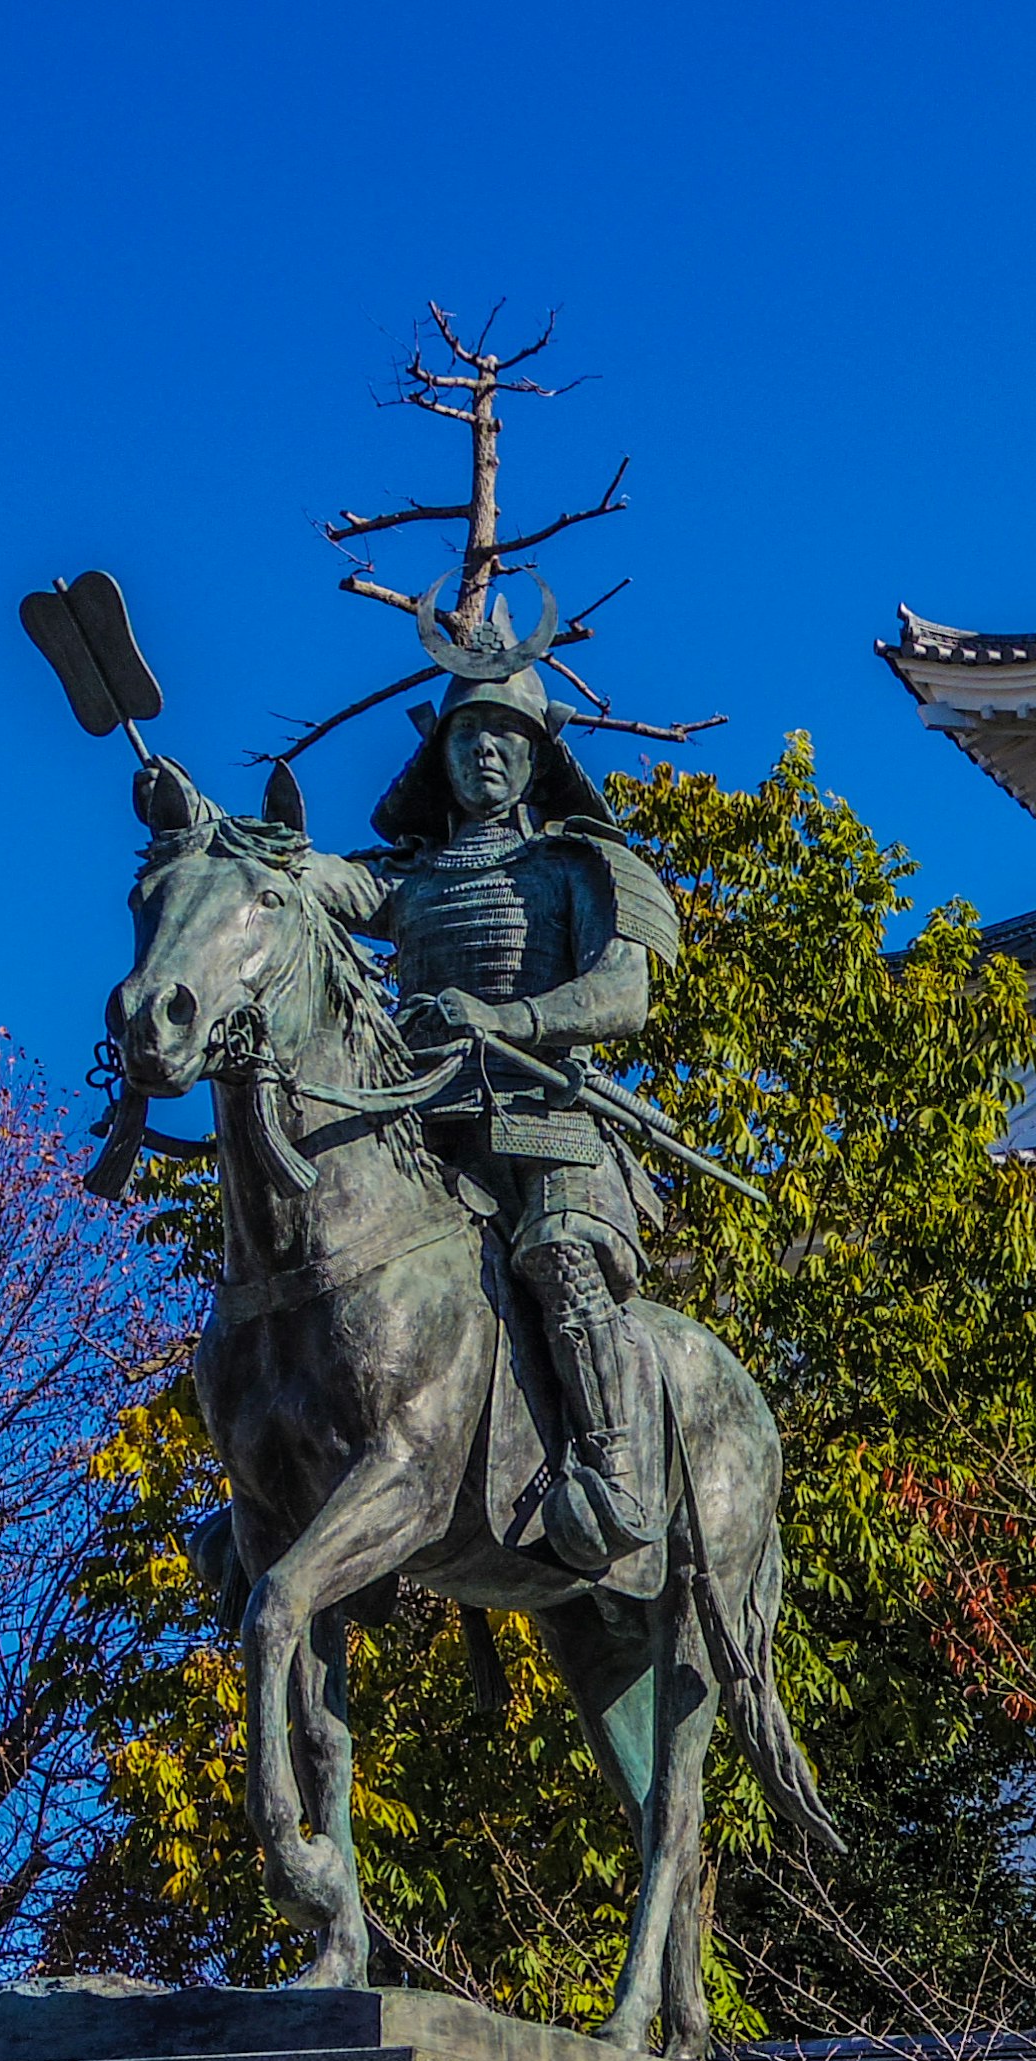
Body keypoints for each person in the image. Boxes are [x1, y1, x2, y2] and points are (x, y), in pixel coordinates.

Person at [140, 661, 678, 1576]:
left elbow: (625, 991)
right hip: (421, 1118)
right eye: (468, 740)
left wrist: (510, 1019)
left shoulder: (577, 866)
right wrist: (194, 813)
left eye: (505, 739)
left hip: (542, 1116)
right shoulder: (410, 881)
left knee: (557, 1253)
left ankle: (613, 1464)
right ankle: (288, 1477)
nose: (486, 757)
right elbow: (291, 873)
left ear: (537, 756)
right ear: (443, 759)